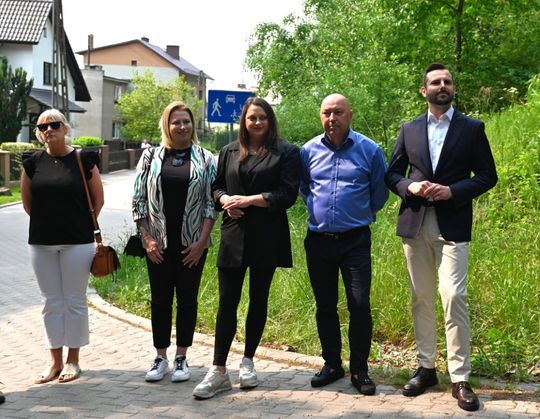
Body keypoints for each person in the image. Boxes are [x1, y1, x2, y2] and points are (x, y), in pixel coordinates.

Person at [385, 63, 497, 412]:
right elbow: (392, 174)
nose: (442, 85)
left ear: (453, 89)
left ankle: (460, 377)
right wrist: (410, 186)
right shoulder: (409, 129)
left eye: (447, 81)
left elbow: (488, 175)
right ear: (425, 90)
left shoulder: (472, 128)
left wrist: (453, 191)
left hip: (453, 225)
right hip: (415, 223)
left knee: (454, 296)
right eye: (435, 82)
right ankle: (426, 369)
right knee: (421, 298)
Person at [192, 97, 301, 399]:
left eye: (262, 117)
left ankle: (248, 361)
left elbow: (288, 194)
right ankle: (218, 370)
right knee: (227, 301)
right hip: (234, 234)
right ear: (244, 121)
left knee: (258, 299)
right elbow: (216, 187)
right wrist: (226, 199)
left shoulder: (286, 152)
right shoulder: (228, 151)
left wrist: (249, 200)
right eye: (252, 117)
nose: (257, 122)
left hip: (267, 234)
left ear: (270, 120)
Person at [299, 94, 388, 395]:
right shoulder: (308, 151)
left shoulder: (370, 150)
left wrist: (359, 214)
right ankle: (332, 364)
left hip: (355, 241)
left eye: (338, 112)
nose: (332, 118)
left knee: (359, 305)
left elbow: (379, 193)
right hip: (319, 241)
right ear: (320, 116)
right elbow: (304, 188)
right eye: (327, 113)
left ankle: (360, 370)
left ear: (351, 114)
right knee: (325, 305)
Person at [132, 101, 217, 383]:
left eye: (186, 121)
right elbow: (138, 201)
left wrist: (202, 242)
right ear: (167, 126)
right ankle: (160, 357)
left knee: (188, 300)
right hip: (158, 244)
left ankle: (181, 357)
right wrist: (147, 240)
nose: (182, 126)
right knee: (160, 300)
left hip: (192, 244)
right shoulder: (150, 157)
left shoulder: (206, 158)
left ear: (193, 125)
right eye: (176, 122)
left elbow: (210, 204)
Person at [21, 109, 104, 384]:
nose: (49, 130)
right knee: (50, 302)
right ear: (39, 133)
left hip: (78, 242)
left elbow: (98, 200)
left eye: (54, 124)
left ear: (65, 128)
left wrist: (77, 224)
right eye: (42, 126)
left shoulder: (83, 158)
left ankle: (73, 360)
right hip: (41, 243)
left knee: (74, 300)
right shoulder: (32, 162)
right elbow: (28, 204)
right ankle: (55, 362)